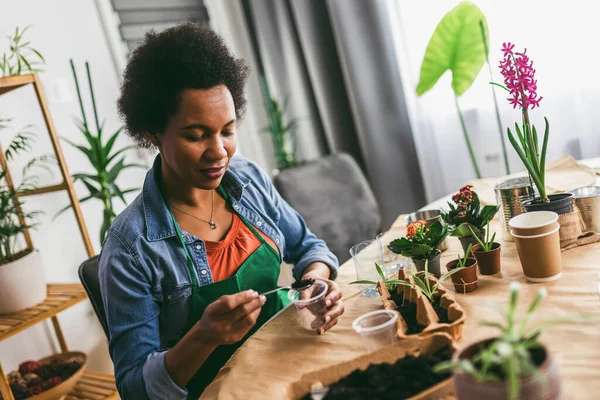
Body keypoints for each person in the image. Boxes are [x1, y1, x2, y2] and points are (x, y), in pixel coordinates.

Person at [98, 23, 344, 400]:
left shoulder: (246, 178)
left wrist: (315, 284)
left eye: (227, 130)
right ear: (151, 134)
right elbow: (135, 388)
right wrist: (203, 337)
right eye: (196, 136)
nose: (219, 152)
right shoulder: (131, 249)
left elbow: (309, 247)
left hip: (288, 369)